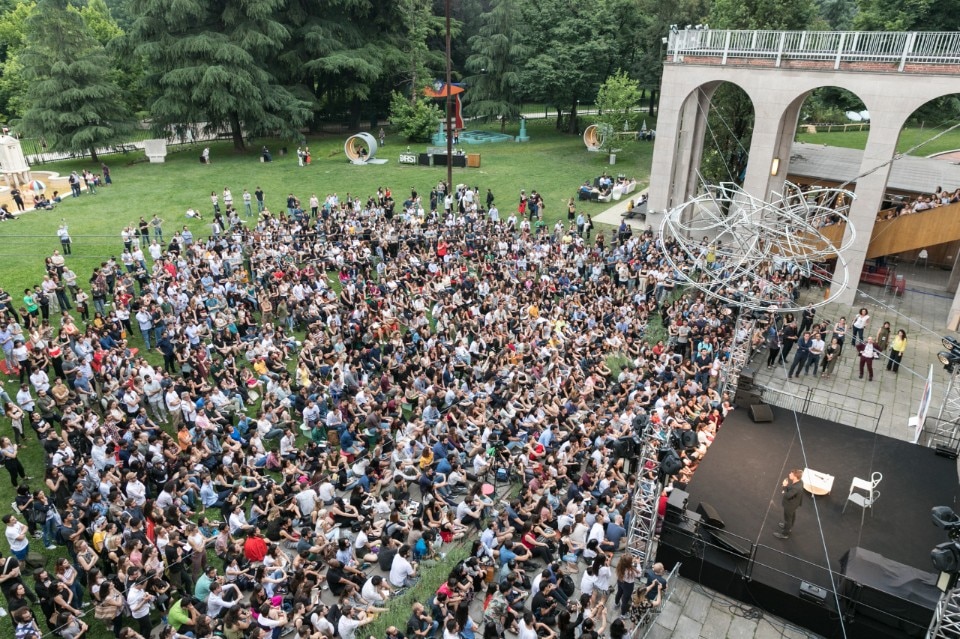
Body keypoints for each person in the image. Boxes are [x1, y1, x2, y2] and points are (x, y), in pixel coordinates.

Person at [774, 469, 803, 540]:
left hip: (790, 505)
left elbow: (787, 496)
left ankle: (785, 534)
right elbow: (791, 488)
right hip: (794, 504)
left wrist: (784, 486)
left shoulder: (796, 488)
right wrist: (786, 487)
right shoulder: (800, 482)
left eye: (791, 474)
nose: (789, 474)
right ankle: (788, 527)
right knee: (792, 516)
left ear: (795, 477)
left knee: (788, 519)